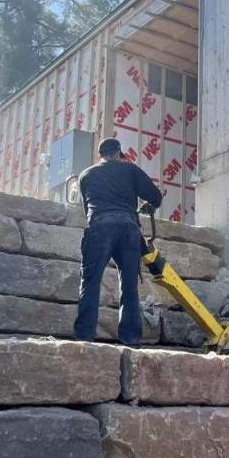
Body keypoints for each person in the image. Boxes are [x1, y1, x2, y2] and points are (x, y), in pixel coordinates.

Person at [74, 137, 163, 345]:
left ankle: (84, 337)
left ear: (101, 155)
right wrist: (147, 207)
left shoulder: (85, 175)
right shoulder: (130, 170)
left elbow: (86, 210)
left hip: (99, 227)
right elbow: (156, 197)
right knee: (129, 286)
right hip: (128, 230)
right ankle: (130, 340)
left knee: (90, 282)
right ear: (117, 153)